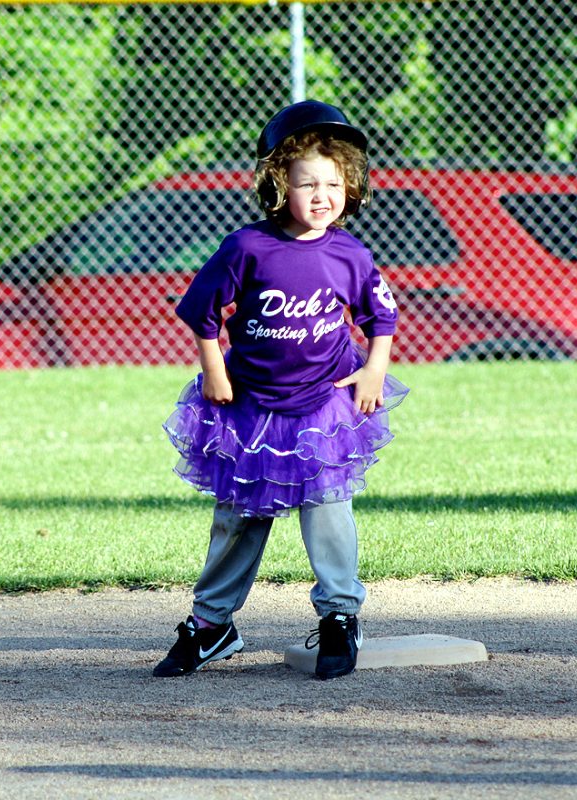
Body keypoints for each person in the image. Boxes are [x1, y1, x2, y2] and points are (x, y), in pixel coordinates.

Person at [154, 100, 408, 680]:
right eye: (307, 183)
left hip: (323, 402)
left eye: (334, 183)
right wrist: (214, 370)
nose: (323, 195)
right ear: (277, 185)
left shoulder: (350, 253)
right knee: (239, 516)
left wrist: (374, 368)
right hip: (251, 407)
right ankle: (213, 624)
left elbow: (381, 315)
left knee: (328, 509)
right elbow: (202, 311)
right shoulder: (248, 248)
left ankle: (340, 615)